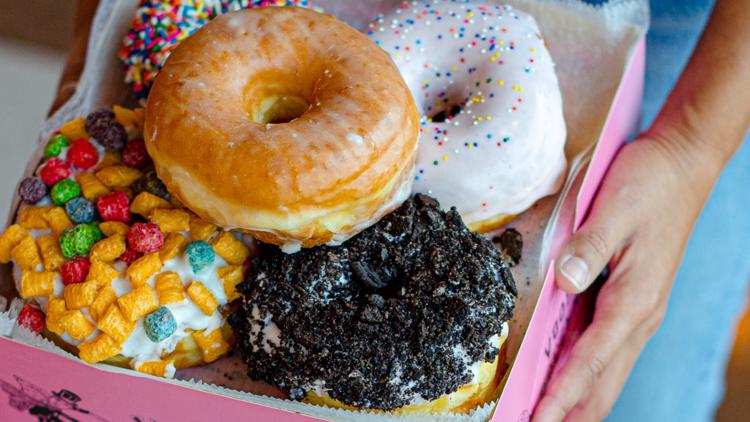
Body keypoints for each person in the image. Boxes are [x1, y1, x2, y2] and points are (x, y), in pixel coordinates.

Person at [51, 1, 750, 421]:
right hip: (253, 35)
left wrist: (692, 145)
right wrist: (92, 36)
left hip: (674, 44)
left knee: (640, 393)